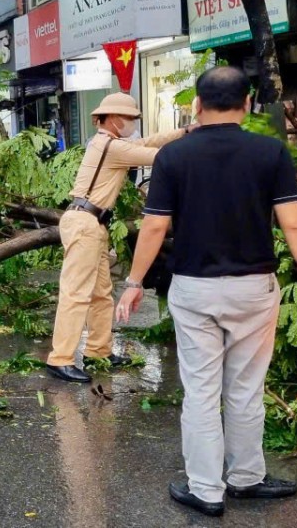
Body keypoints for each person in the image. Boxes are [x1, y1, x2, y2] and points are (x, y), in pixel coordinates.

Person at [115, 67, 297, 517]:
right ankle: (246, 478)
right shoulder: (269, 152)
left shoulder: (173, 158)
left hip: (194, 289)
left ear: (197, 104)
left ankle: (206, 490)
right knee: (246, 389)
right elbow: (294, 222)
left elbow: (155, 225)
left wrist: (134, 283)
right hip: (254, 290)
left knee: (200, 391)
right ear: (248, 103)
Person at [45, 92, 190, 383]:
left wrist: (185, 132)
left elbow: (144, 143)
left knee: (100, 293)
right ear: (112, 118)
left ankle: (99, 350)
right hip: (85, 224)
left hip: (92, 224)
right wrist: (197, 143)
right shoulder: (110, 146)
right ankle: (59, 359)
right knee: (76, 293)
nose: (133, 124)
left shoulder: (109, 143)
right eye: (129, 119)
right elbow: (159, 155)